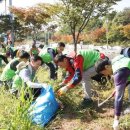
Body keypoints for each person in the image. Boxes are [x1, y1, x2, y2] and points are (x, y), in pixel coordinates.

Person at [95, 55, 130, 130]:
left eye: (103, 72)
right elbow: (127, 74)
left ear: (107, 67)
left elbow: (119, 98)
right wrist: (118, 88)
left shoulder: (118, 72)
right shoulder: (116, 60)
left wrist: (116, 120)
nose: (105, 75)